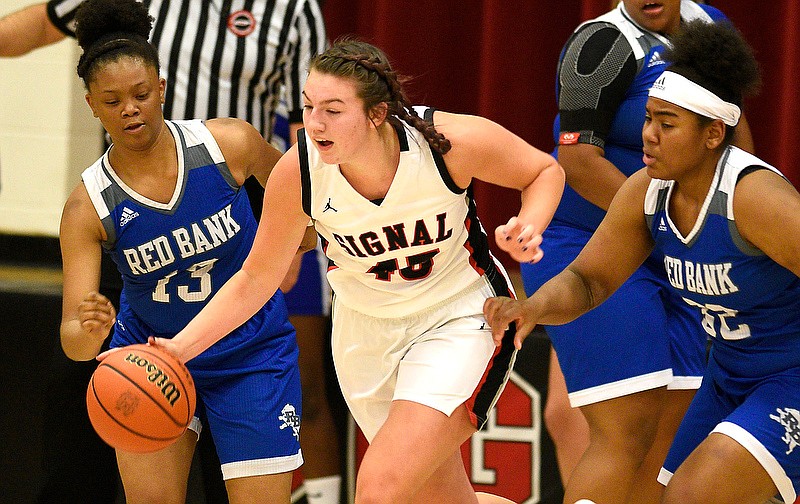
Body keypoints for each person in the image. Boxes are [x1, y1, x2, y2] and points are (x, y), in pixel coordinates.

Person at [137, 38, 565, 504]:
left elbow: (543, 171)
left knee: (379, 486)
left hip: (458, 319)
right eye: (309, 107)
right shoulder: (298, 172)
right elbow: (256, 279)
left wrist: (530, 224)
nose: (314, 124)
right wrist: (181, 347)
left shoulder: (444, 144)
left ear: (376, 114)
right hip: (365, 336)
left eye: (333, 111)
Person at [0, 1, 342, 502]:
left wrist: (298, 241)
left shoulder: (230, 144)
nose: (131, 108)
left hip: (248, 350)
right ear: (92, 106)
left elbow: (308, 206)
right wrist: (88, 330)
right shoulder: (85, 208)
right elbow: (75, 340)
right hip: (150, 357)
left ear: (162, 89)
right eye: (113, 100)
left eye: (141, 94)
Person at [486, 19, 800, 504]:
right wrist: (531, 309)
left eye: (666, 124)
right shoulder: (646, 193)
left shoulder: (755, 199)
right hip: (729, 373)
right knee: (651, 492)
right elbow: (589, 282)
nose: (647, 135)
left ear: (713, 134)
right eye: (648, 117)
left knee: (694, 495)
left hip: (790, 376)